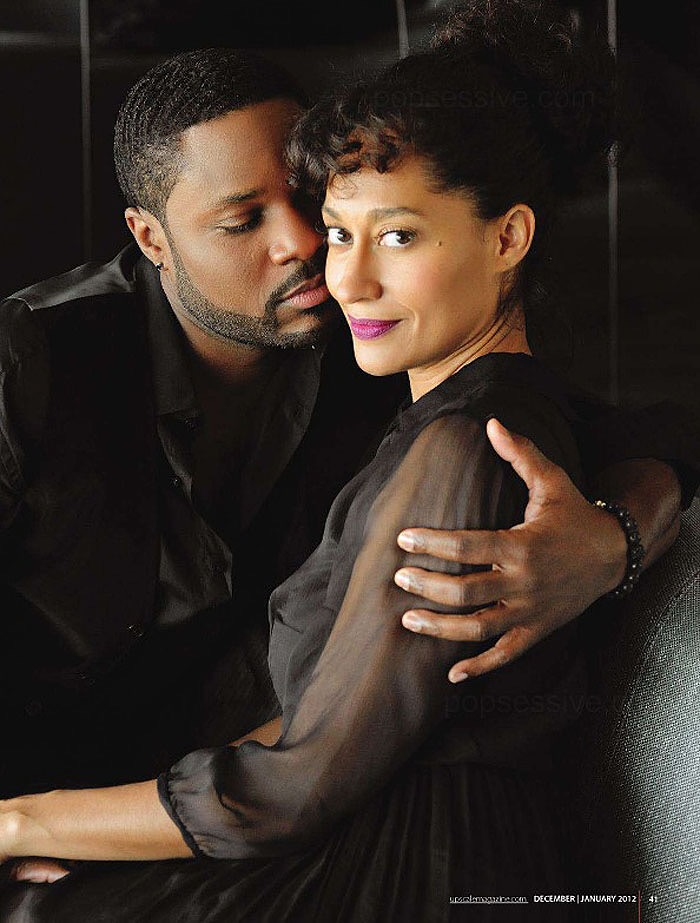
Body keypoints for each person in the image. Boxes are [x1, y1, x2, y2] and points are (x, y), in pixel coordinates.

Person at [0, 1, 697, 917]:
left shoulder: (387, 358)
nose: (307, 249)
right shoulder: (33, 364)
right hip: (81, 795)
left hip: (286, 824)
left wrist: (612, 542)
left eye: (313, 203)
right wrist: (31, 824)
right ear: (150, 238)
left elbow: (642, 431)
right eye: (243, 219)